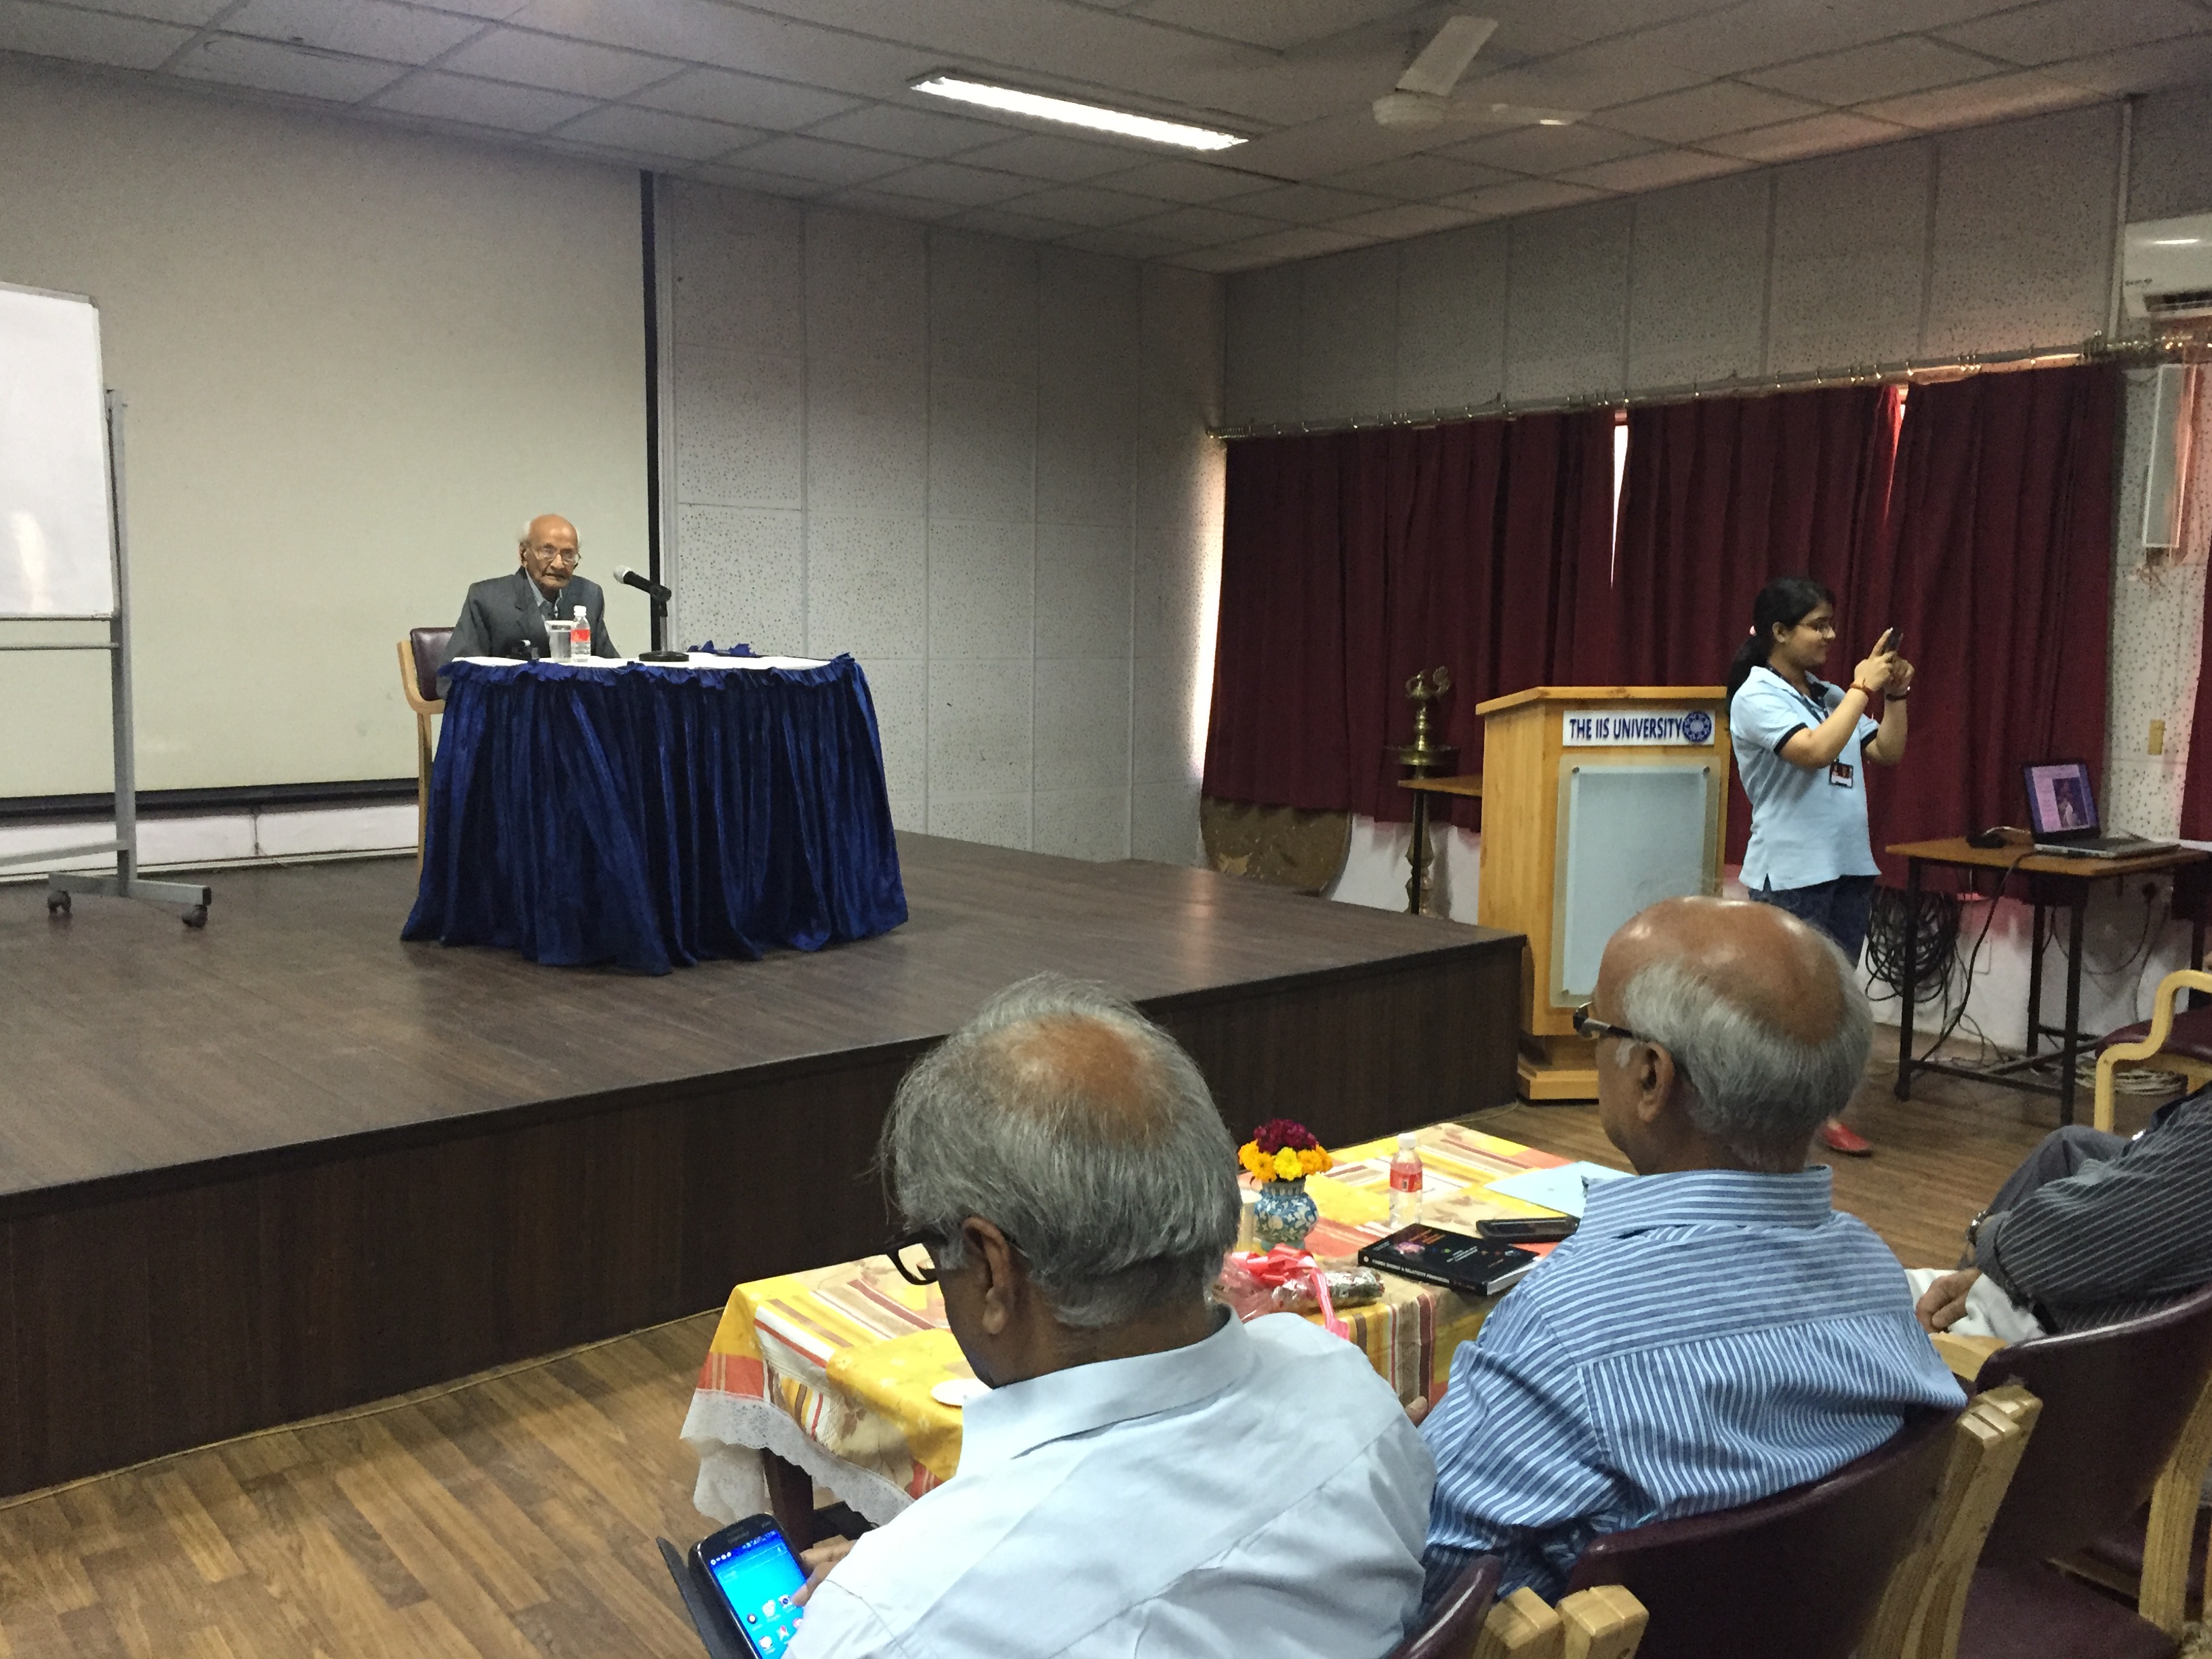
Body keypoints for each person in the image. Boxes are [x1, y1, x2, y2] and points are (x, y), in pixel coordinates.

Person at [786, 977, 1433, 1659]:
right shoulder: (1349, 1391)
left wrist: (900, 1590)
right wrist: (918, 1568)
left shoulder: (886, 1622)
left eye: (931, 1255)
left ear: (994, 1270)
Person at [1419, 896, 1963, 1607]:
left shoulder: (1568, 1324)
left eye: (1593, 1026)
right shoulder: (1873, 1273)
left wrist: (1399, 1463)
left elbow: (1424, 1570)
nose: (1590, 1044)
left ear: (1652, 1076)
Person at [1726, 575, 1914, 1158]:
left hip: (1847, 866)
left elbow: (1887, 751)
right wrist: (1862, 687)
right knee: (1785, 1002)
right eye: (1818, 626)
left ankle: (1820, 1112)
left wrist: (1896, 695)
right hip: (1792, 872)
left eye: (1832, 624)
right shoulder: (1755, 696)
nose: (1831, 635)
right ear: (1780, 632)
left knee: (1833, 1001)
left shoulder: (1828, 694)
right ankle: (1761, 1112)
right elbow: (1814, 751)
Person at [1912, 1086, 2212, 1342]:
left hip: (2079, 1343)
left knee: (1894, 1302)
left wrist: (1986, 1234)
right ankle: (1967, 1290)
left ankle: (1961, 1310)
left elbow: (2067, 1238)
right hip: (2097, 1303)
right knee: (2069, 1146)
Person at [441, 513, 618, 688]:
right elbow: (454, 678)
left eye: (568, 555)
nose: (558, 564)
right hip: (511, 703)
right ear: (523, 555)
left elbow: (612, 670)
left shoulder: (589, 595)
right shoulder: (488, 599)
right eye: (547, 551)